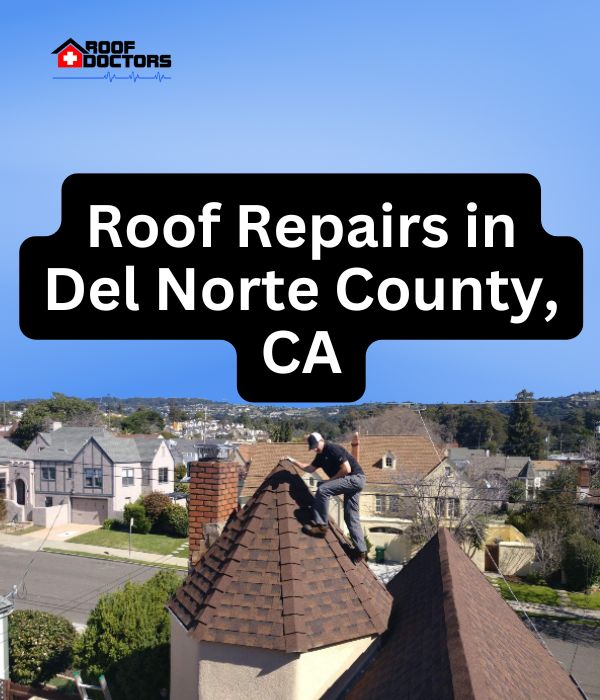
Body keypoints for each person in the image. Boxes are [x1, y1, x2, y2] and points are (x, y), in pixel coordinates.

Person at [287, 432, 367, 562]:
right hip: (354, 481)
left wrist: (330, 481)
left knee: (323, 489)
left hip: (355, 478)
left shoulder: (332, 448)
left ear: (321, 440)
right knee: (350, 516)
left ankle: (321, 526)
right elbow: (309, 468)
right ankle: (360, 551)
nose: (315, 449)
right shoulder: (320, 456)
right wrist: (292, 461)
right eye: (312, 447)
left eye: (315, 446)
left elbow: (346, 469)